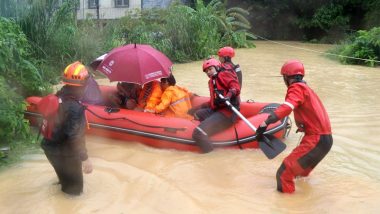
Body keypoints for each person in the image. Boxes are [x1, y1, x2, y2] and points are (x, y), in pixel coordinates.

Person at [257, 60, 333, 193]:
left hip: (315, 140)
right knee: (299, 175)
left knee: (283, 174)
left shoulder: (297, 88)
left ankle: (286, 208)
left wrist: (266, 122)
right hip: (325, 140)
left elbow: (287, 107)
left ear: (286, 77)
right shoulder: (307, 89)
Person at [41, 61, 93, 196]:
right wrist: (85, 158)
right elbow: (75, 136)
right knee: (75, 194)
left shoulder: (60, 95)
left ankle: (64, 184)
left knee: (65, 184)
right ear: (83, 84)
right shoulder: (74, 107)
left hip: (49, 148)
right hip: (65, 154)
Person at [189, 58, 241, 153]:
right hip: (217, 110)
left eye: (210, 69)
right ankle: (209, 128)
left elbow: (235, 87)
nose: (208, 72)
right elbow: (213, 101)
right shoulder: (211, 82)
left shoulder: (224, 75)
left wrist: (228, 96)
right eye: (206, 71)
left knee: (197, 133)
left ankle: (210, 155)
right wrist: (198, 107)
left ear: (217, 67)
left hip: (227, 113)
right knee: (197, 114)